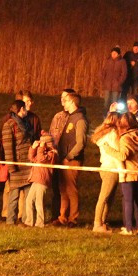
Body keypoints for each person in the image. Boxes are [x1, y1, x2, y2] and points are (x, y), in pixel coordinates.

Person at [54, 91, 87, 226]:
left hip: (71, 160)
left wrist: (69, 157)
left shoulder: (80, 120)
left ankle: (73, 218)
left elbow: (80, 143)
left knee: (71, 189)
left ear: (72, 102)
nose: (64, 103)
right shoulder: (70, 117)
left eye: (66, 100)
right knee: (63, 189)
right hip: (63, 159)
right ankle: (62, 217)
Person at [1, 99, 34, 225]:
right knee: (13, 196)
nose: (26, 111)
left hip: (27, 164)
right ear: (21, 110)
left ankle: (26, 220)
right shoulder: (9, 125)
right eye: (24, 108)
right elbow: (8, 148)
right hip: (17, 166)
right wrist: (11, 167)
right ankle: (10, 220)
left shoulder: (25, 124)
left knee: (28, 195)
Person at [92, 111, 122, 233]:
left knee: (108, 197)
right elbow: (118, 150)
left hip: (105, 166)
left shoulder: (103, 134)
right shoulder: (114, 134)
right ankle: (97, 223)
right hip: (112, 168)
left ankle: (102, 222)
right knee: (104, 197)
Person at [25, 130, 57, 227]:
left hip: (43, 179)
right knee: (29, 200)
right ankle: (29, 221)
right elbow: (32, 158)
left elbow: (41, 159)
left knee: (39, 202)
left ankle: (40, 223)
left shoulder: (52, 153)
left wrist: (41, 148)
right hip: (36, 178)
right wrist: (33, 148)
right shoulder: (42, 151)